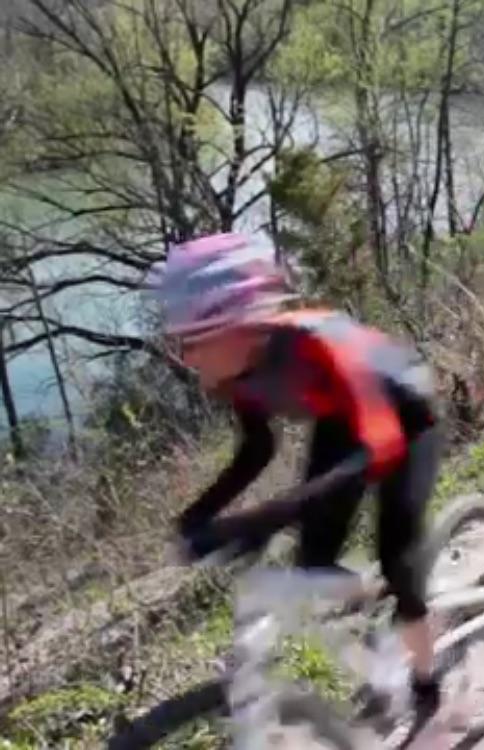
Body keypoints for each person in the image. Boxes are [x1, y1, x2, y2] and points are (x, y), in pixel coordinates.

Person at [156, 233, 445, 722]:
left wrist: (267, 516)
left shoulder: (316, 340)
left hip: (406, 419)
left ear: (234, 327)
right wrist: (198, 517)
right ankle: (378, 615)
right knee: (314, 561)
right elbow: (257, 449)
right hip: (344, 420)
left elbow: (383, 445)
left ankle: (425, 677)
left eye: (191, 341)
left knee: (397, 558)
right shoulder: (237, 376)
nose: (184, 357)